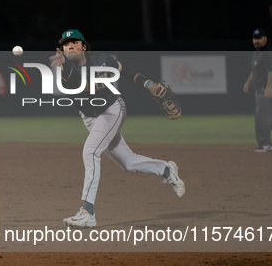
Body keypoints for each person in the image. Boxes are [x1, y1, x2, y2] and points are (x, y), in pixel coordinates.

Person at [49, 29, 185, 229]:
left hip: (112, 110)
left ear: (84, 46)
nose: (70, 46)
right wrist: (61, 64)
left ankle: (87, 212)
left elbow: (126, 71)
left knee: (90, 151)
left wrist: (148, 84)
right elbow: (74, 78)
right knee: (128, 162)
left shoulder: (103, 59)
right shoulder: (65, 73)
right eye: (66, 44)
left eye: (74, 42)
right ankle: (167, 170)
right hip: (90, 119)